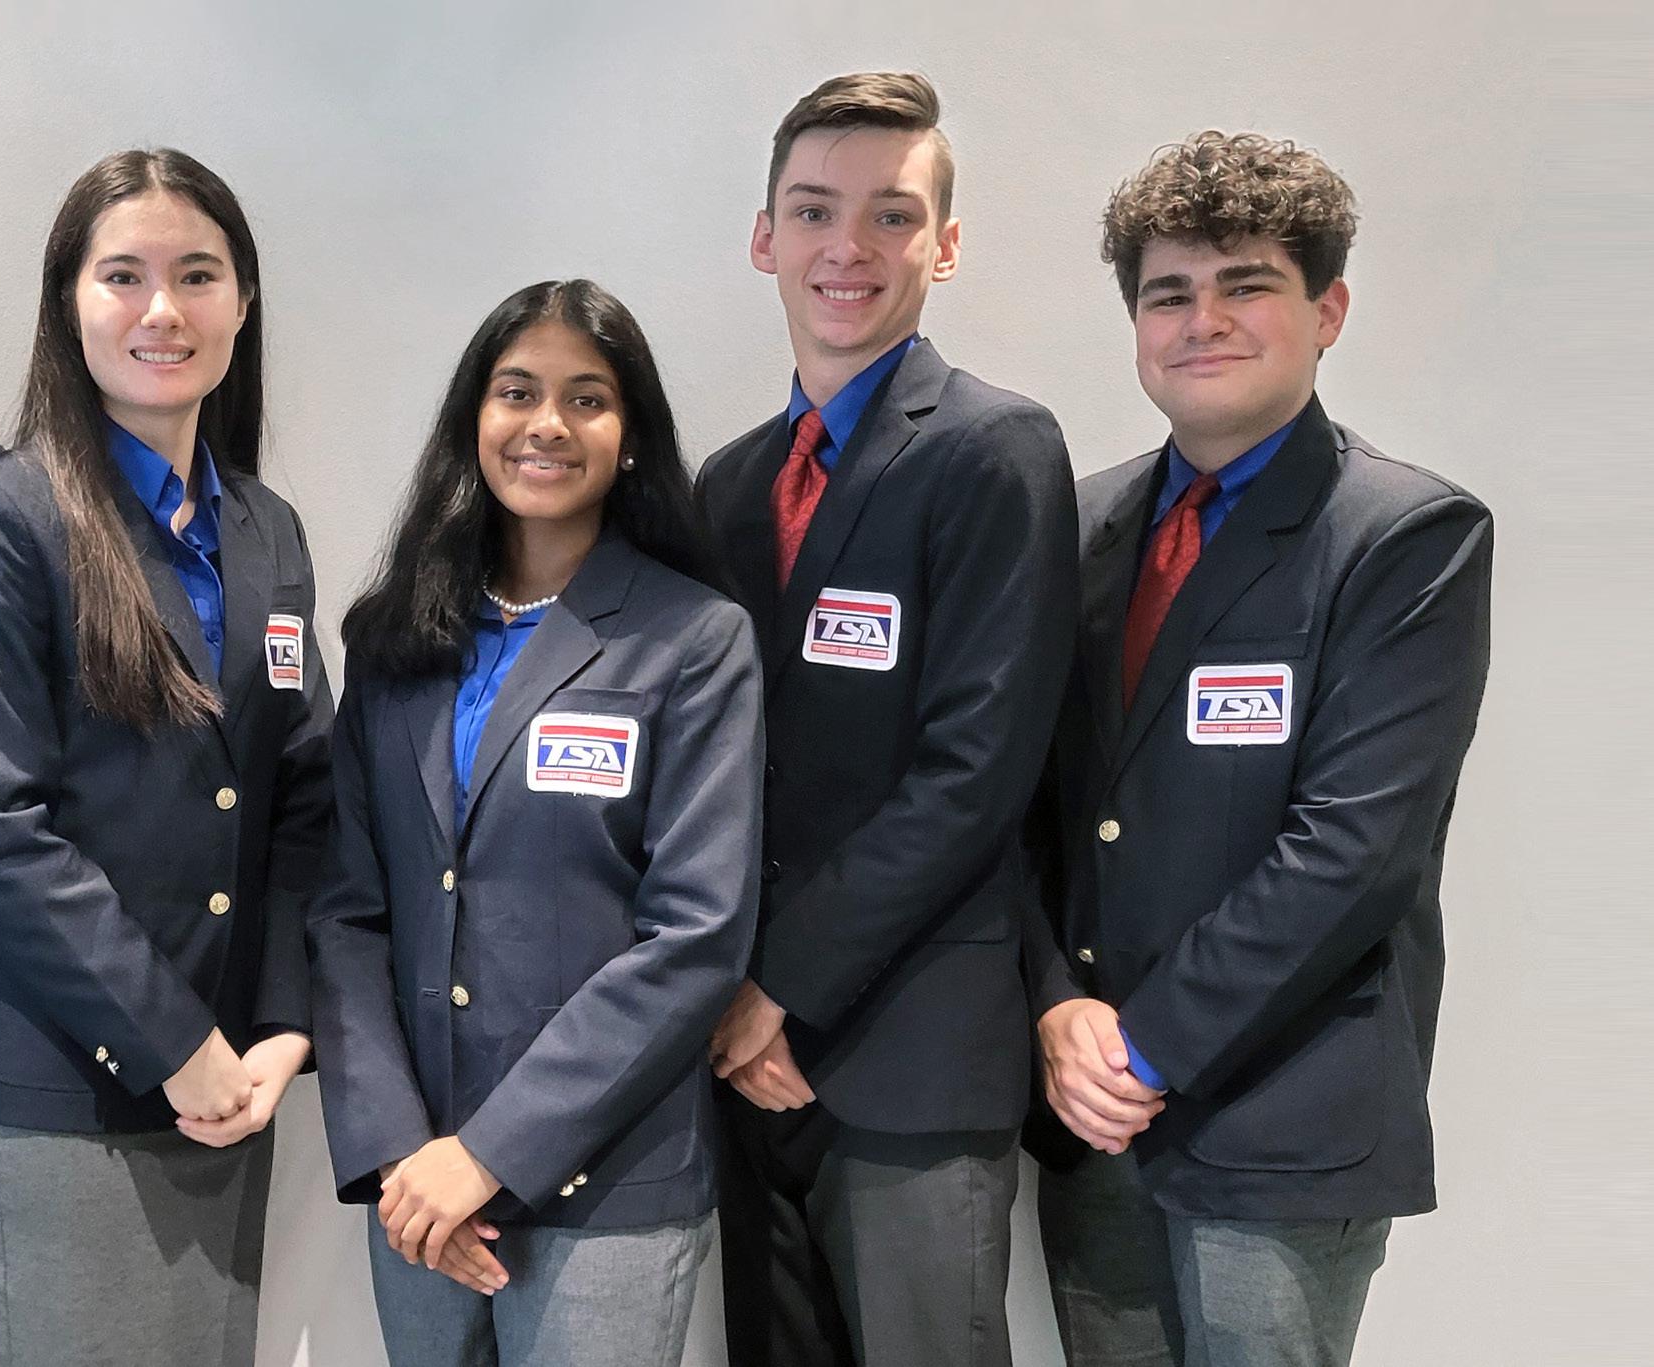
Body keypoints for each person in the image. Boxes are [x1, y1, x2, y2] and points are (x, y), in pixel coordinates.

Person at [1022, 130, 1492, 1367]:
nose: (1202, 320)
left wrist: (1141, 1043)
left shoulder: (1406, 537)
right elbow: (1023, 807)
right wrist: (1055, 1004)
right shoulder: (1076, 527)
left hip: (1283, 1125)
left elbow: (1353, 849)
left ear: (1326, 307)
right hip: (1097, 1122)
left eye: (1246, 285)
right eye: (1168, 293)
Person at [0, 146, 331, 1367]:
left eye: (198, 273)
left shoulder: (267, 530)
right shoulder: (3, 514)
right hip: (62, 1090)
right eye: (124, 275)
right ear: (68, 305)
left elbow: (301, 794)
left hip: (228, 1089)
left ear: (242, 302)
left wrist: (278, 1026)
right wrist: (176, 1044)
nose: (164, 309)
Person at [694, 71, 1078, 1367]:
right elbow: (715, 769)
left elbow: (974, 777)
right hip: (742, 1069)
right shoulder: (732, 483)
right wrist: (727, 1002)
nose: (847, 247)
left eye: (892, 216)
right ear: (764, 239)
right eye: (812, 210)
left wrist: (778, 989)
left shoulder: (995, 451)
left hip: (909, 1057)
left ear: (946, 245)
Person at [310, 278, 762, 1367]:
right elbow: (347, 910)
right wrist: (404, 1148)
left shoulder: (694, 639)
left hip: (606, 1181)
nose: (547, 423)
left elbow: (696, 935)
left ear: (631, 436)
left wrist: (492, 1154)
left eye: (587, 397)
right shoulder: (393, 636)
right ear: (474, 418)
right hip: (417, 1187)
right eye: (517, 391)